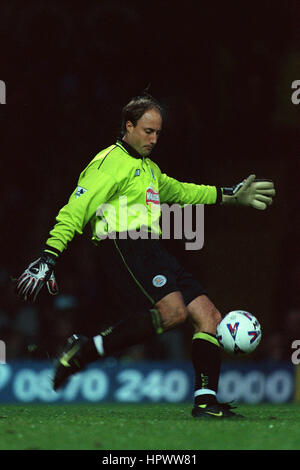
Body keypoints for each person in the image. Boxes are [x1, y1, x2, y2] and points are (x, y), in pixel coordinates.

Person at [16, 92, 275, 418]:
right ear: (129, 126)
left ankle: (206, 401)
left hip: (152, 249)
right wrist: (50, 255)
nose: (154, 139)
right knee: (173, 313)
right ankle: (87, 350)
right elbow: (76, 209)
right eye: (148, 131)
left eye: (158, 133)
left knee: (208, 315)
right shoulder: (108, 162)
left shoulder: (148, 168)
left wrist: (228, 196)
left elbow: (180, 191)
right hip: (123, 245)